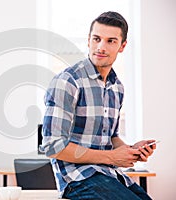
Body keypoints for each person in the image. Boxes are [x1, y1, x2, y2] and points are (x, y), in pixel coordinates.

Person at [40, 11, 156, 200]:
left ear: (122, 46)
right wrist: (112, 157)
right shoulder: (68, 81)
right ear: (88, 40)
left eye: (111, 41)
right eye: (96, 39)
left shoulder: (117, 87)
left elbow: (110, 137)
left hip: (108, 175)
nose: (101, 47)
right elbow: (53, 146)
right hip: (77, 179)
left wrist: (131, 151)